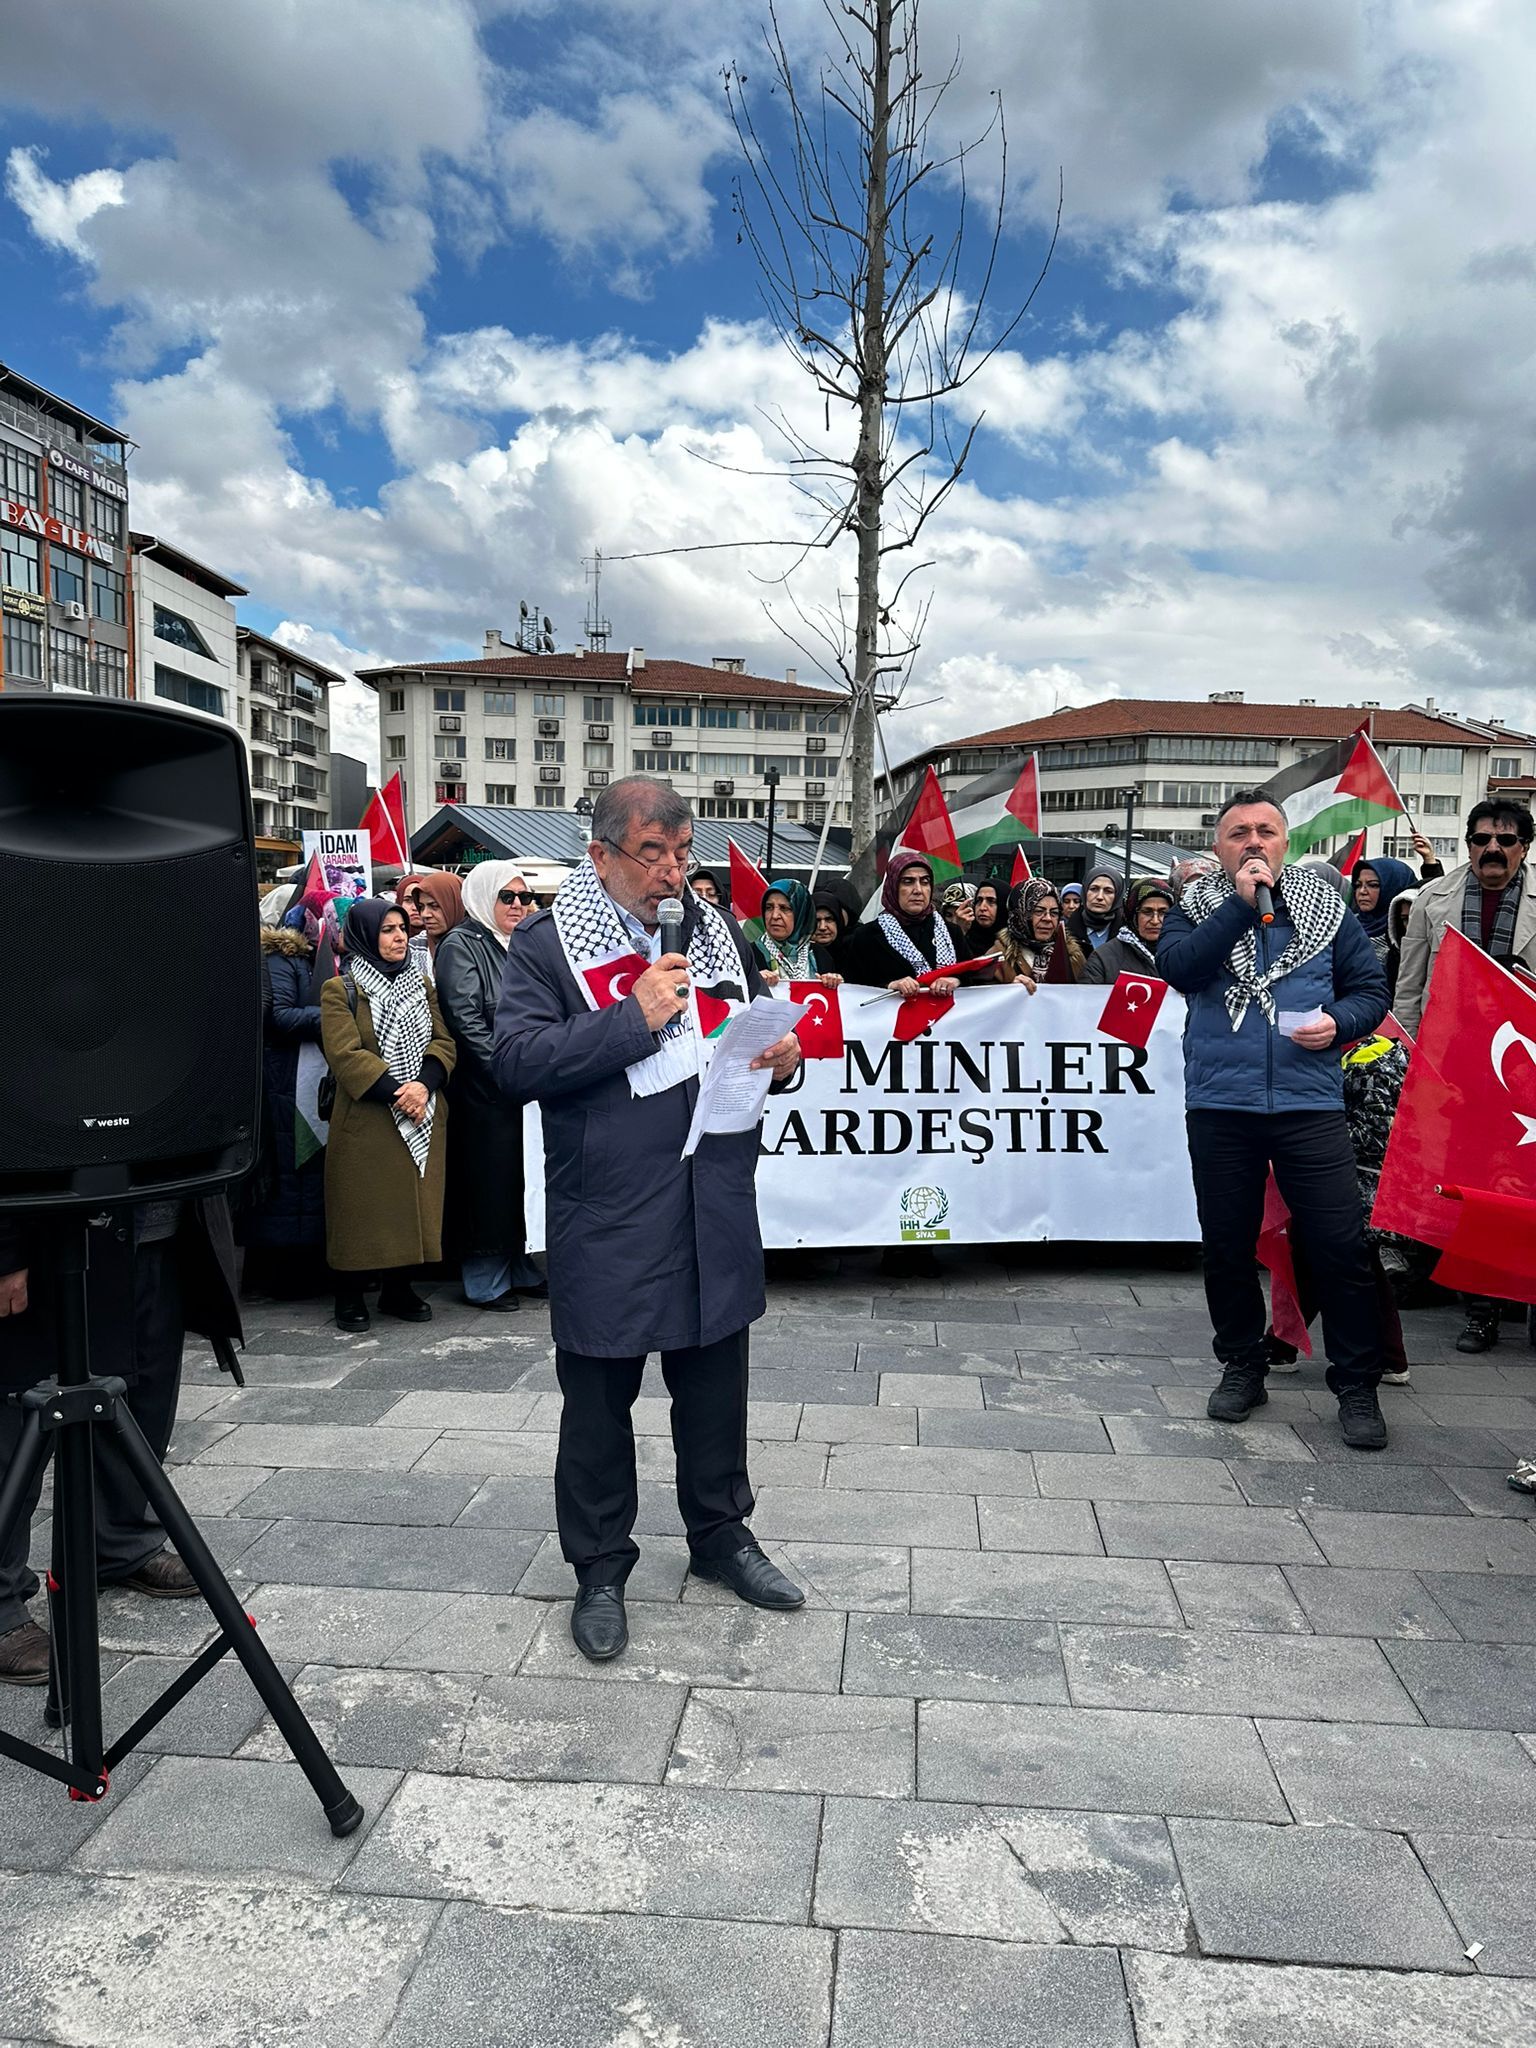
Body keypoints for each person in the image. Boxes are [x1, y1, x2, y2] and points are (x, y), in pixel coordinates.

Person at [492, 777, 805, 1662]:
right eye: (652, 853)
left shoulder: (714, 929)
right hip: (612, 1208)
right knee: (599, 1398)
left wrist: (783, 1060)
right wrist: (631, 1019)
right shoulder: (546, 946)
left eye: (683, 852)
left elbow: (746, 1032)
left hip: (712, 1195)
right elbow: (516, 1063)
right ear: (600, 856)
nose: (672, 871)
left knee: (716, 1384)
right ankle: (599, 1566)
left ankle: (721, 1536)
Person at [1157, 791, 1391, 1447]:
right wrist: (1238, 905)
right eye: (1239, 833)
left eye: (1266, 831)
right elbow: (1180, 969)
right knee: (1227, 1246)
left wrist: (1338, 1022)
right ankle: (1242, 1365)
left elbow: (1371, 991)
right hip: (1221, 1106)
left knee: (1340, 1246)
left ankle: (1357, 1385)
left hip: (1308, 1105)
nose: (1254, 842)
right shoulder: (1192, 910)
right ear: (1219, 848)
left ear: (1286, 843)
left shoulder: (1328, 912)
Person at [0, 1198, 242, 1684]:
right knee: (11, 1419)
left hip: (157, 1218)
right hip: (42, 1217)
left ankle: (119, 1542)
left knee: (137, 1393)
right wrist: (4, 1251)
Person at [1395, 798, 1536, 1353]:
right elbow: (1409, 989)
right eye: (1481, 839)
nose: (1492, 849)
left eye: (1505, 840)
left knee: (1513, 1184)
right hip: (1452, 1064)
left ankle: (1504, 1298)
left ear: (1524, 847)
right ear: (1469, 844)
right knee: (1461, 1183)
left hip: (1523, 1069)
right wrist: (1405, 1057)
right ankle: (1471, 1302)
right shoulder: (1433, 899)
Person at [320, 899, 456, 1332]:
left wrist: (424, 1086)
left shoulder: (420, 982)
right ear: (364, 936)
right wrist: (400, 1093)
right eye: (388, 930)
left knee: (410, 1205)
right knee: (360, 1208)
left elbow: (443, 1041)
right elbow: (345, 1055)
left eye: (402, 929)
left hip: (421, 1111)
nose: (400, 937)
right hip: (369, 1117)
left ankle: (399, 1288)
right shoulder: (340, 989)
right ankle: (349, 1293)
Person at [434, 862, 544, 1312]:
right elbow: (465, 1017)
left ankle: (517, 1263)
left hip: (519, 1083)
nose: (518, 905)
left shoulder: (518, 943)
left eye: (524, 897)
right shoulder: (462, 944)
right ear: (483, 897)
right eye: (507, 897)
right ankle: (485, 1278)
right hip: (484, 1088)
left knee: (518, 1176)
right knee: (487, 1182)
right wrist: (504, 1069)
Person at [240, 905, 327, 1296]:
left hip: (305, 1076)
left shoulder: (315, 958)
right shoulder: (282, 957)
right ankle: (283, 1274)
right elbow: (278, 1015)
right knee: (290, 1175)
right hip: (285, 1077)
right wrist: (334, 1015)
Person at [840, 851, 962, 994]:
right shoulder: (867, 936)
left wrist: (956, 981)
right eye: (908, 882)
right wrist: (890, 986)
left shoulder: (951, 933)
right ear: (893, 886)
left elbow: (972, 978)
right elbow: (852, 989)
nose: (918, 890)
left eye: (925, 882)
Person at [994, 879, 1086, 987]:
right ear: (1020, 914)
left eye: (1054, 913)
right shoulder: (997, 957)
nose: (1048, 918)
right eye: (1038, 911)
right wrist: (1009, 990)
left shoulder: (1072, 955)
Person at [1082, 878, 1174, 985]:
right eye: (1147, 912)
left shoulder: (1182, 953)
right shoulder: (1103, 958)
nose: (1155, 921)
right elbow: (1087, 994)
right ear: (1131, 914)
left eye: (1163, 912)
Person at [755, 878, 839, 985]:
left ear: (800, 913)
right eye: (769, 907)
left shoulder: (820, 955)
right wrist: (754, 980)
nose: (775, 916)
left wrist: (833, 983)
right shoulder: (750, 954)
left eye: (784, 908)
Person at [1348, 856, 1416, 988]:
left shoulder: (1405, 932)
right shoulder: (1346, 927)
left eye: (1373, 885)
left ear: (1392, 886)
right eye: (1358, 885)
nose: (1362, 892)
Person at [414, 872, 465, 981]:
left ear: (456, 904)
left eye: (434, 906)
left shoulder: (480, 947)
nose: (425, 914)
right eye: (421, 907)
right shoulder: (414, 948)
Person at [1067, 867, 1123, 951]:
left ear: (1117, 896)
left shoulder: (1128, 935)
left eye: (1108, 891)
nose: (1100, 897)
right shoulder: (1066, 931)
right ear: (1085, 891)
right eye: (1094, 889)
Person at [812, 889, 852, 974]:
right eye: (817, 920)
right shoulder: (802, 957)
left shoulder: (853, 953)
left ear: (838, 921)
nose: (822, 927)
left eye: (829, 919)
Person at [967, 882, 1004, 957]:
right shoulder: (963, 939)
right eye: (979, 901)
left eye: (991, 901)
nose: (982, 908)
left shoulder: (1015, 947)